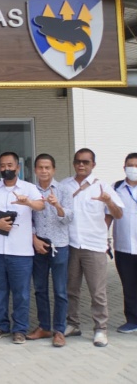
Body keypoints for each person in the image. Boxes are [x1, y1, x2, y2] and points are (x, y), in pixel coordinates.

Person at [61, 148, 124, 347]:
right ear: (73, 163)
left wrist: (108, 202)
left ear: (93, 165)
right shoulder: (65, 185)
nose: (81, 165)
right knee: (71, 289)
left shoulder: (103, 187)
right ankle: (73, 324)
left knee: (97, 291)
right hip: (71, 245)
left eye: (86, 162)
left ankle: (101, 329)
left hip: (94, 246)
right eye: (78, 161)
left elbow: (118, 213)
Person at [0, 152, 45, 344]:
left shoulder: (29, 188)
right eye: (2, 165)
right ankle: (1, 325)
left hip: (21, 251)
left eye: (10, 165)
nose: (6, 169)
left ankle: (20, 329)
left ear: (18, 168)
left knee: (21, 293)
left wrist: (28, 202)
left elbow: (41, 206)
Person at [27, 153, 72, 347]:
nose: (44, 171)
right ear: (35, 170)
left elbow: (69, 218)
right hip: (38, 246)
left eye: (47, 168)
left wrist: (57, 206)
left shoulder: (63, 190)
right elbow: (26, 218)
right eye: (40, 167)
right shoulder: (30, 190)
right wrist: (34, 239)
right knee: (40, 289)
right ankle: (44, 326)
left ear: (53, 170)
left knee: (60, 291)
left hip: (59, 246)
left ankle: (59, 330)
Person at [113, 153, 137, 334]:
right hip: (124, 246)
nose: (133, 169)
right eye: (130, 165)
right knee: (128, 285)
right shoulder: (116, 188)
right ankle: (132, 320)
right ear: (124, 168)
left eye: (136, 165)